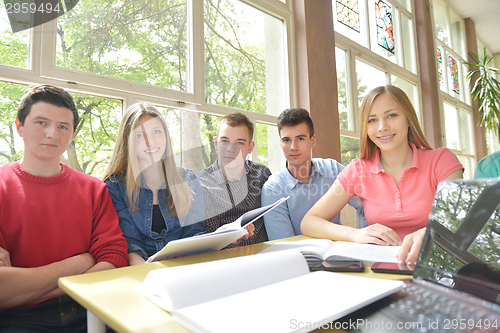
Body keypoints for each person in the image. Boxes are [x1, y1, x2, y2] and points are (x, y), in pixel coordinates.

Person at [0, 85, 128, 332]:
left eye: (62, 126)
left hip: (90, 305)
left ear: (73, 134)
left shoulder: (94, 189)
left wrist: (29, 287)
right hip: (21, 318)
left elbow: (114, 257)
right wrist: (79, 263)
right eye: (41, 122)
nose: (52, 134)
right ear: (19, 126)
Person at [301, 85, 464, 265]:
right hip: (381, 276)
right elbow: (309, 222)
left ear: (408, 118)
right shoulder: (358, 170)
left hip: (437, 272)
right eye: (372, 120)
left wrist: (430, 233)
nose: (382, 127)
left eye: (392, 115)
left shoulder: (441, 161)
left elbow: (461, 222)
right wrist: (356, 234)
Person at [103, 103, 206, 265]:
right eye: (139, 135)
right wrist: (150, 271)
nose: (150, 142)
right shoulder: (115, 186)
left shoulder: (188, 179)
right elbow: (130, 246)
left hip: (185, 268)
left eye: (156, 132)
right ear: (127, 141)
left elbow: (195, 234)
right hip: (141, 272)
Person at [261, 108, 364, 240]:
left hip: (339, 257)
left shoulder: (333, 169)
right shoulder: (273, 189)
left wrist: (369, 245)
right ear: (280, 143)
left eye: (300, 138)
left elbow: (368, 205)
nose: (293, 147)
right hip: (301, 259)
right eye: (286, 140)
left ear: (313, 141)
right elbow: (285, 247)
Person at [197, 112, 271, 246]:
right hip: (226, 259)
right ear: (215, 143)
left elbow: (274, 219)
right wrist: (228, 238)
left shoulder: (262, 173)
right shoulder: (202, 184)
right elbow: (209, 241)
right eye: (225, 141)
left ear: (250, 147)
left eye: (240, 143)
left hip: (265, 254)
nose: (231, 149)